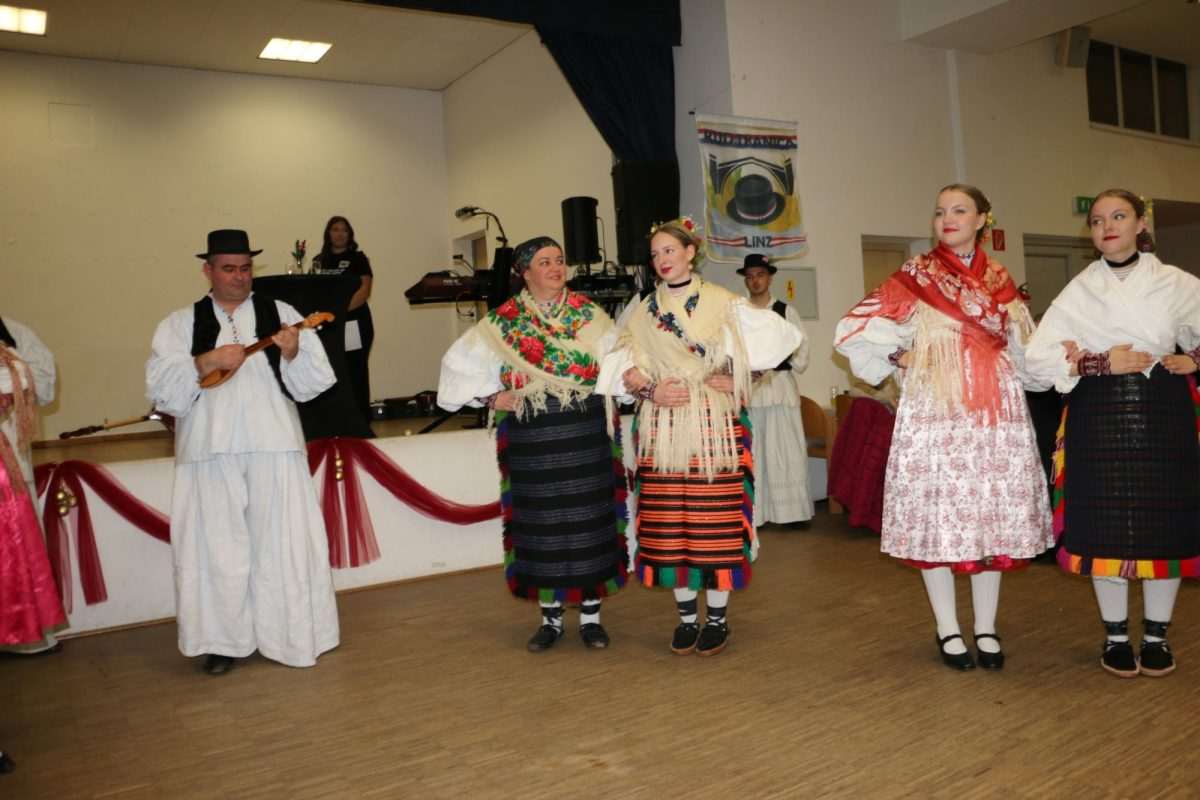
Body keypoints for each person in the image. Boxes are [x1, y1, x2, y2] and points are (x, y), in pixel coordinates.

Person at [835, 184, 1052, 671]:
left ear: (982, 220)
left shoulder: (1000, 279)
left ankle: (987, 628)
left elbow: (1025, 347)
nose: (947, 218)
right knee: (939, 517)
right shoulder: (916, 276)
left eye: (959, 210)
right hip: (937, 407)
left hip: (994, 412)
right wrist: (898, 354)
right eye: (940, 212)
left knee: (987, 517)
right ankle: (948, 629)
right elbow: (853, 329)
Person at [596, 218, 802, 657]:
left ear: (690, 252)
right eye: (655, 254)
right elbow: (617, 360)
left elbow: (780, 342)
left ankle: (717, 619)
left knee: (716, 523)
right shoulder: (641, 308)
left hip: (714, 425)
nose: (661, 260)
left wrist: (744, 378)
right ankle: (687, 619)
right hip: (663, 427)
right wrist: (649, 388)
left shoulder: (724, 302)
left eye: (669, 250)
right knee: (671, 524)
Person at [146, 229, 339, 675]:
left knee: (283, 541)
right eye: (229, 268)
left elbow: (314, 382)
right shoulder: (180, 323)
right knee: (216, 548)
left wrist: (293, 352)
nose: (239, 276)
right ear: (208, 271)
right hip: (209, 450)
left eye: (246, 268)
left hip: (274, 443)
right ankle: (223, 641)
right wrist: (205, 362)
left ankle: (290, 633)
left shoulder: (283, 313)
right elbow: (162, 388)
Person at [1025, 189, 1200, 679]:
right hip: (1096, 414)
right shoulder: (1078, 291)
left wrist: (1195, 358)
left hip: (1163, 412)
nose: (1108, 226)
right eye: (1098, 220)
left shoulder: (1176, 283)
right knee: (1107, 529)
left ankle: (1157, 636)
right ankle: (1116, 635)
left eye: (1119, 216)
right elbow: (1035, 364)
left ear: (1140, 223)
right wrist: (1099, 361)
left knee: (1162, 529)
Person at [438, 236, 628, 652]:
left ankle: (592, 617)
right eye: (545, 262)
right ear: (525, 272)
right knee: (541, 523)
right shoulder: (503, 324)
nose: (557, 268)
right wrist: (491, 397)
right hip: (531, 433)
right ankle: (551, 620)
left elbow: (623, 363)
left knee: (588, 521)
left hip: (584, 429)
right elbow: (455, 368)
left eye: (560, 260)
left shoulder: (590, 317)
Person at [0, 317, 66, 657]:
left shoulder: (13, 331)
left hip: (7, 460)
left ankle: (23, 634)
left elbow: (44, 381)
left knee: (15, 545)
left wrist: (14, 382)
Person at [738, 253, 814, 529]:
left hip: (780, 385)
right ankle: (756, 514)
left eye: (759, 275)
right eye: (750, 276)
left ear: (769, 277)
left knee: (786, 449)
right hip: (752, 387)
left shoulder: (785, 311)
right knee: (754, 450)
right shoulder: (740, 313)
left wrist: (782, 358)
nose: (755, 280)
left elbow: (801, 348)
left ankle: (791, 513)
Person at [312, 216, 374, 427]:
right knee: (331, 370)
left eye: (344, 230)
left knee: (355, 370)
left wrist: (339, 311)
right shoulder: (318, 260)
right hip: (327, 325)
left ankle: (361, 422)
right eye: (335, 229)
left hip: (354, 323)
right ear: (328, 233)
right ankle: (335, 420)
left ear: (350, 235)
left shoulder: (358, 259)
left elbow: (364, 291)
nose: (339, 234)